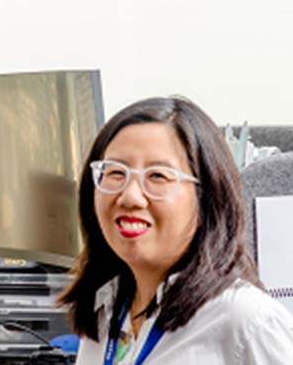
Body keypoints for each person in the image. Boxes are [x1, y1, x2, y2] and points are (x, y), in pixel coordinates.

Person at [60, 97, 293, 364]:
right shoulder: (106, 309)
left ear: (207, 200)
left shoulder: (248, 322)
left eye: (158, 176)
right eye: (115, 172)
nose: (130, 196)